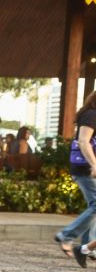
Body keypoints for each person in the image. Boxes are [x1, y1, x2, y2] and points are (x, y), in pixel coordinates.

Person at [55, 90, 96, 258]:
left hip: (88, 168)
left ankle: (88, 247)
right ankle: (67, 235)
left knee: (93, 206)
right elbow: (83, 141)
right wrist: (94, 164)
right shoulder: (91, 115)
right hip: (86, 169)